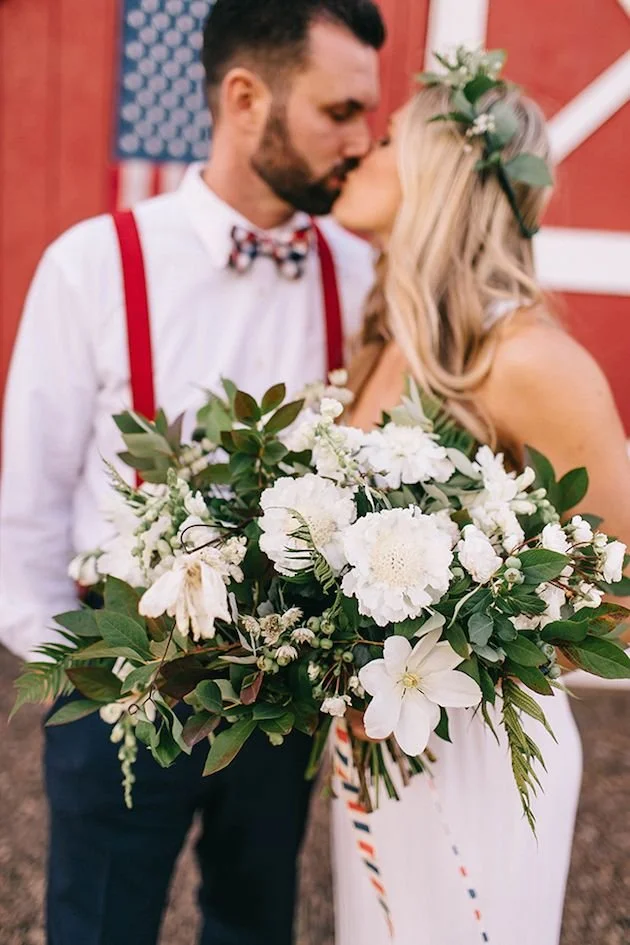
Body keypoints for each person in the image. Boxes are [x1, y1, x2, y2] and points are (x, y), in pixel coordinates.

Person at [0, 2, 384, 943]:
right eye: (340, 111)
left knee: (255, 920)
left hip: (284, 695)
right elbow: (31, 496)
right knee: (98, 924)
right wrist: (81, 676)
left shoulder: (360, 270)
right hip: (123, 681)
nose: (362, 140)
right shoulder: (95, 264)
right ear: (246, 98)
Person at [330, 55, 630, 945]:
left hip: (483, 756)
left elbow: (622, 594)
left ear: (440, 173)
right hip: (377, 741)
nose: (359, 152)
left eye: (386, 140)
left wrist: (458, 653)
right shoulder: (386, 338)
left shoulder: (528, 360)